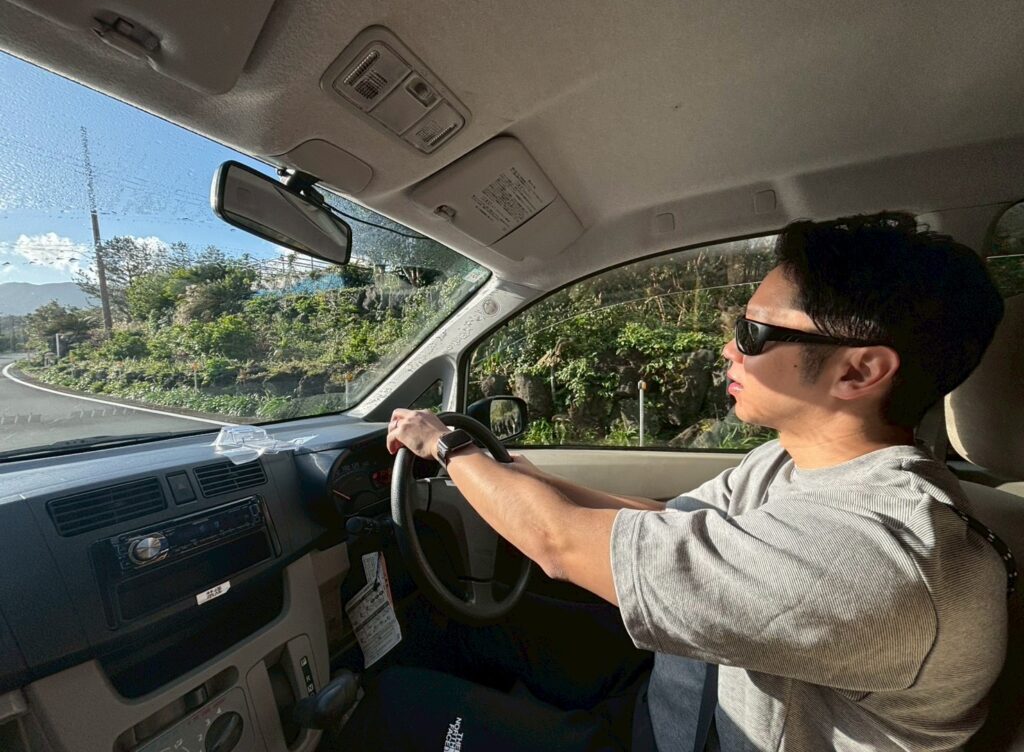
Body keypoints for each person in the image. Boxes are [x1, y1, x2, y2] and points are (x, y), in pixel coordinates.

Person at [334, 212, 1009, 751]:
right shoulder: (797, 462)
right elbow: (670, 520)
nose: (728, 347)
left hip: (680, 735)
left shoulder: (879, 555)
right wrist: (520, 474)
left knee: (395, 706)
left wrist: (445, 443)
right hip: (685, 695)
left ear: (858, 371)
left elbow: (557, 544)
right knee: (460, 627)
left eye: (753, 332)